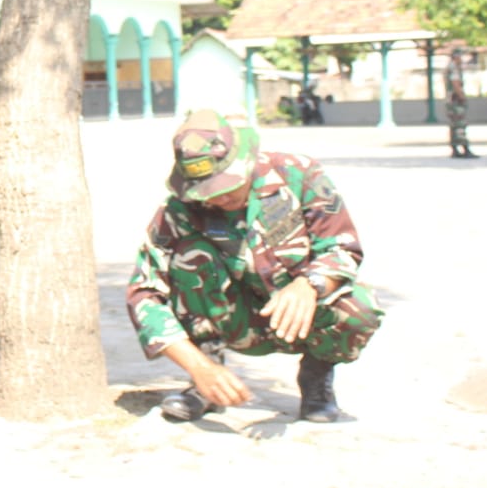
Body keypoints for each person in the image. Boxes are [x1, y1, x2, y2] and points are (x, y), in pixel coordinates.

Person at [125, 109, 383, 425]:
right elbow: (144, 293)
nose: (218, 196)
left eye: (226, 183)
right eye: (206, 188)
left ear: (246, 160)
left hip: (296, 319)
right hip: (228, 321)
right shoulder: (180, 210)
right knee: (191, 255)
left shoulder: (298, 174)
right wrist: (198, 366)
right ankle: (208, 386)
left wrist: (309, 285)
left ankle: (316, 378)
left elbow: (341, 247)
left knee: (360, 309)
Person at [445, 44, 477, 158]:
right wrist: (462, 96)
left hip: (451, 100)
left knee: (454, 125)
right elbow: (456, 84)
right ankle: (464, 148)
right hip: (456, 101)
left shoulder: (450, 66)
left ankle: (455, 149)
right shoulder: (454, 67)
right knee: (460, 125)